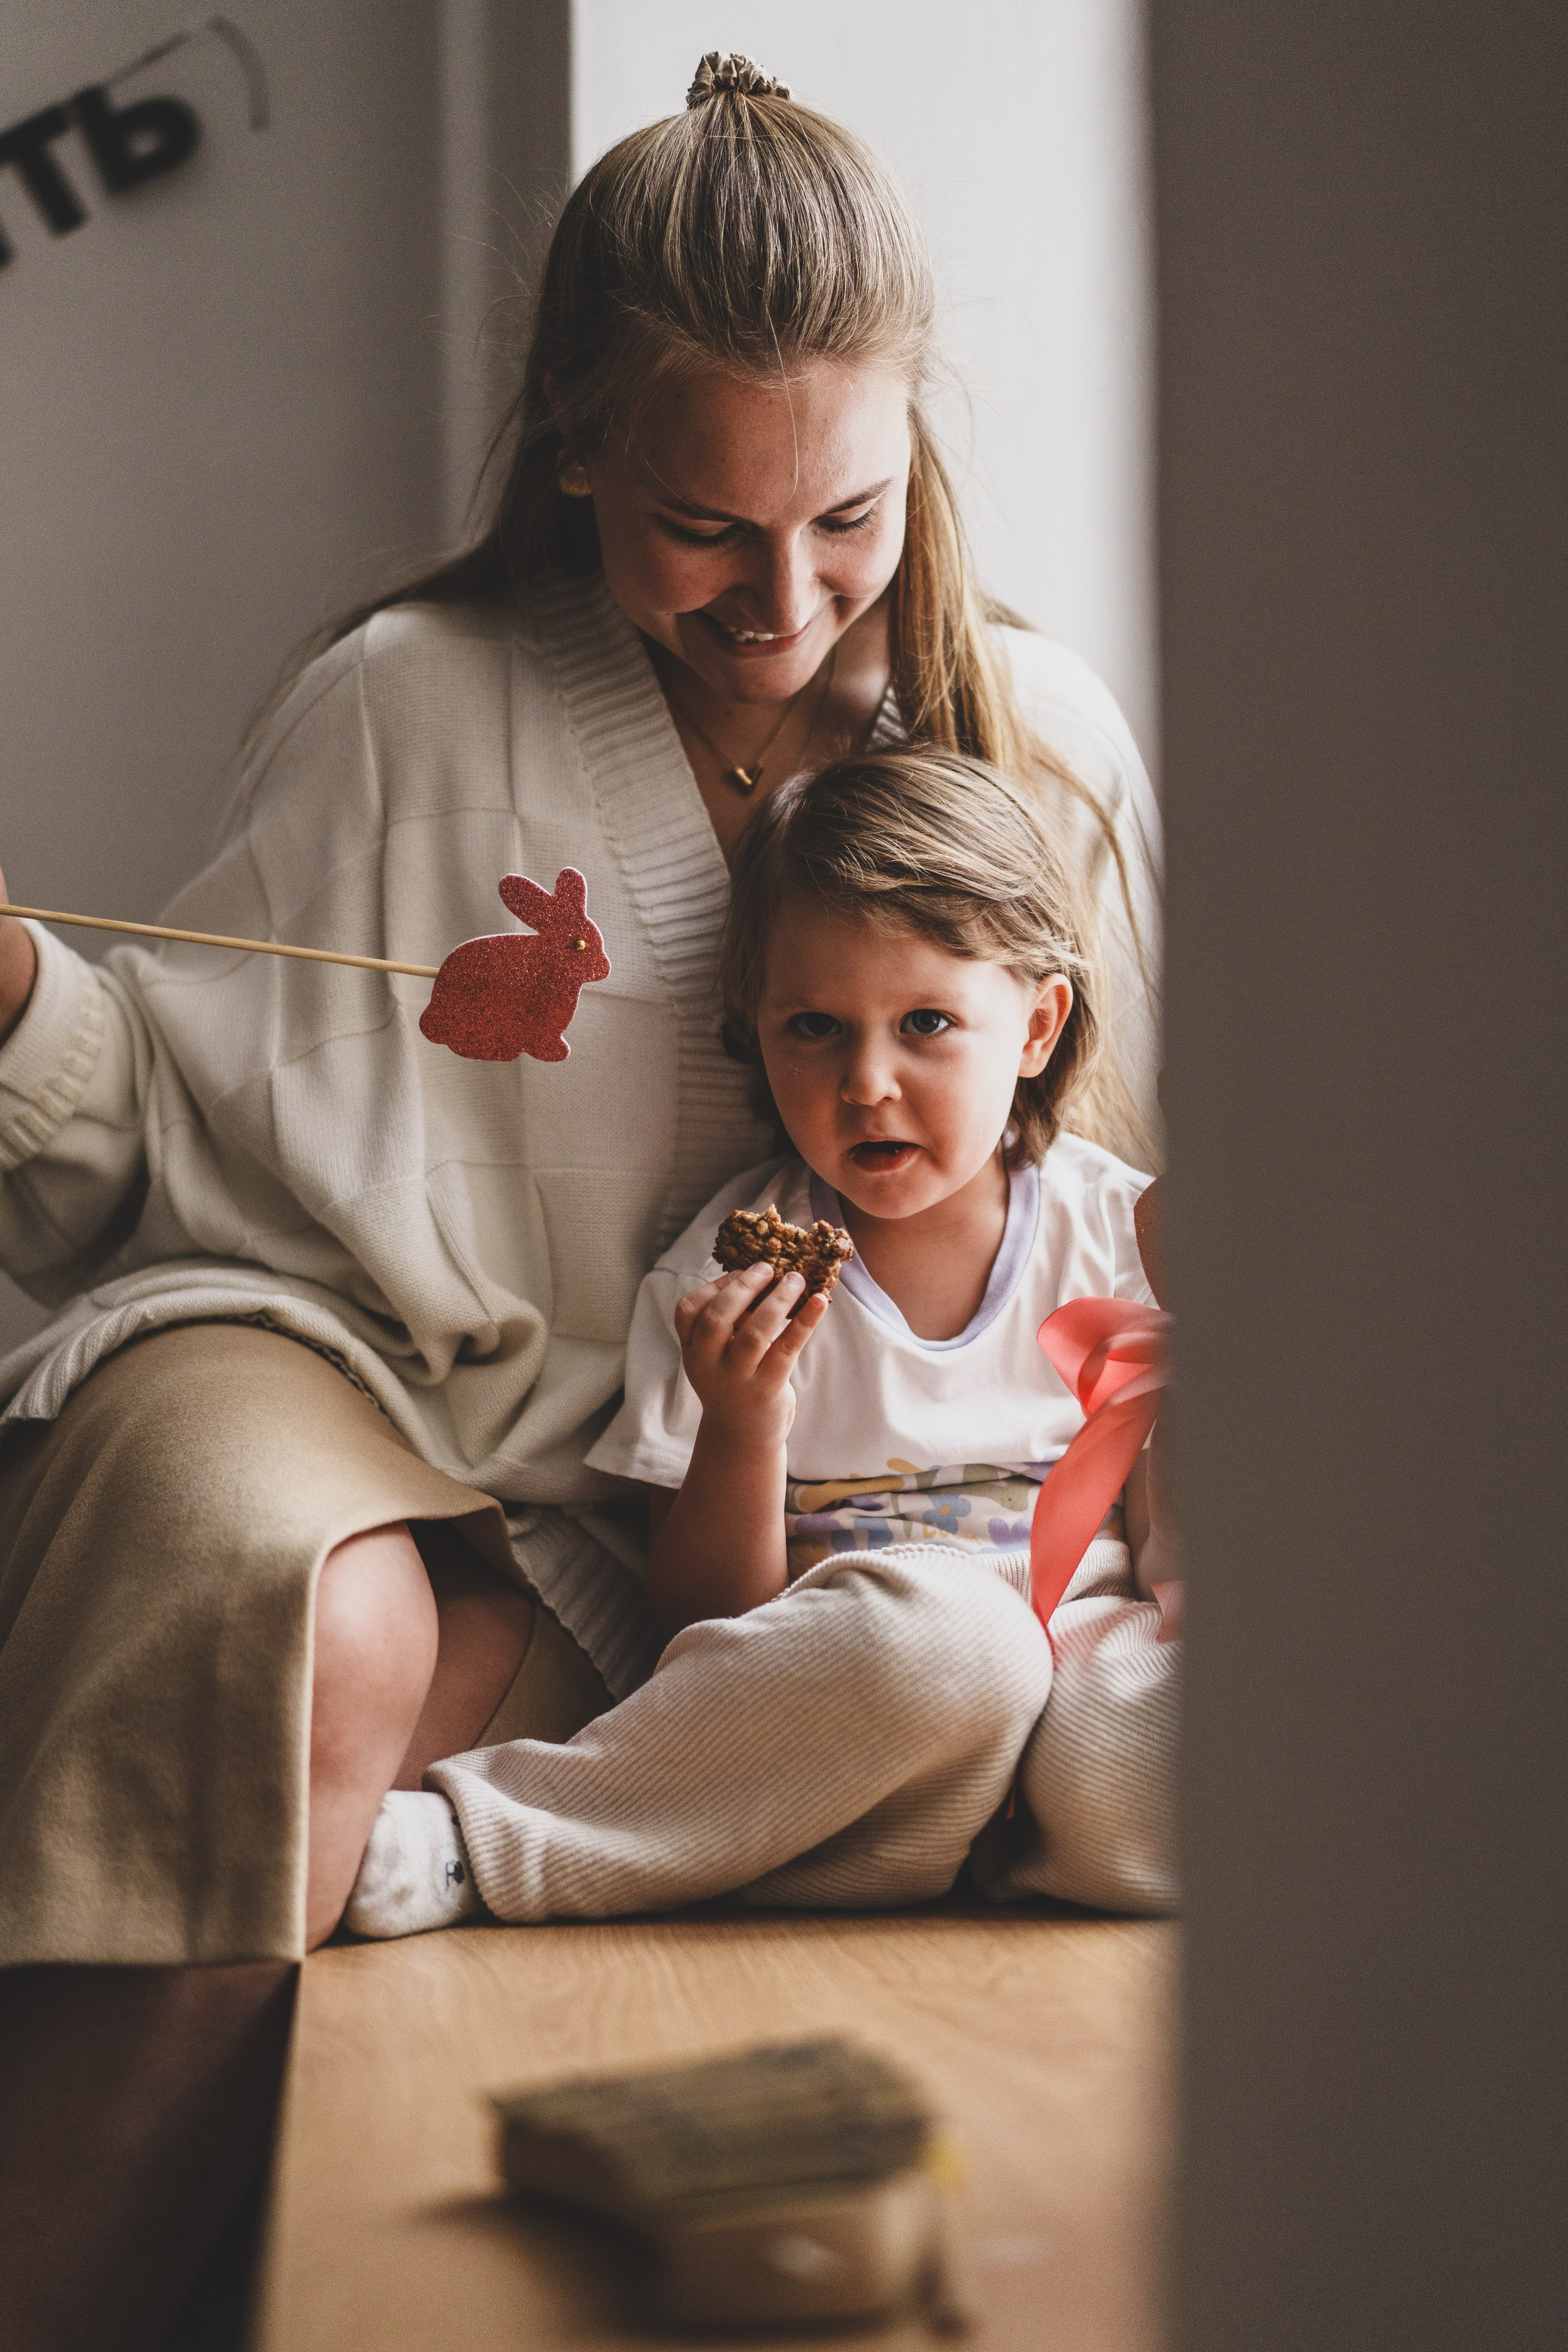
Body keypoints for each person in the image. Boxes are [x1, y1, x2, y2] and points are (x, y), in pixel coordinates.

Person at [0, 51, 1161, 2351]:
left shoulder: (1037, 734)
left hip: (814, 1507)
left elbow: (1169, 1208)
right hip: (391, 1389)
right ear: (571, 446)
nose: (783, 597)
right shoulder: (405, 705)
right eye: (701, 525)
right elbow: (155, 1114)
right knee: (277, 1621)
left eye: (846, 517)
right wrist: (18, 984)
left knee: (976, 1659)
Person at [344, 748, 1177, 1940]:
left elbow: (1170, 1526)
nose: (868, 1082)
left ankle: (944, 1845)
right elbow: (699, 1630)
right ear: (754, 1034)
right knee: (959, 1650)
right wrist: (740, 1425)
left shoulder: (1117, 1233)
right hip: (868, 1677)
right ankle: (492, 1840)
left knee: (1150, 1738)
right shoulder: (728, 1278)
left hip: (1071, 1677)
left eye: (927, 1023)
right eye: (814, 1029)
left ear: (1036, 1026)